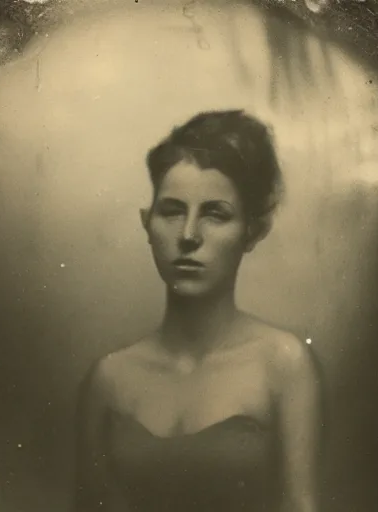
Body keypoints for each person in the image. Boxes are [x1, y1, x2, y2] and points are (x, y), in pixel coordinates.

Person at [74, 110, 321, 512]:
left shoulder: (282, 364)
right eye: (171, 211)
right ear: (147, 223)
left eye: (215, 213)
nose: (188, 236)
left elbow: (300, 505)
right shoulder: (109, 378)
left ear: (251, 232)